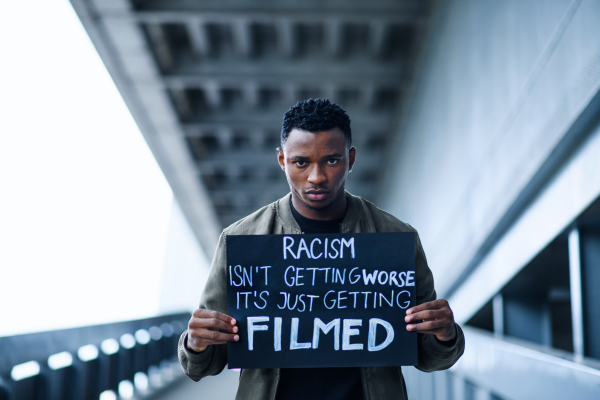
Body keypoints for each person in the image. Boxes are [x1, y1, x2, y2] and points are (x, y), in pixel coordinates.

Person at [178, 98, 465, 400]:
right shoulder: (241, 240)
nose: (316, 177)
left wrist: (445, 335)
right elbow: (202, 366)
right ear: (281, 160)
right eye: (301, 162)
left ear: (350, 159)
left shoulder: (395, 237)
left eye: (331, 160)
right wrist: (195, 344)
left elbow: (432, 357)